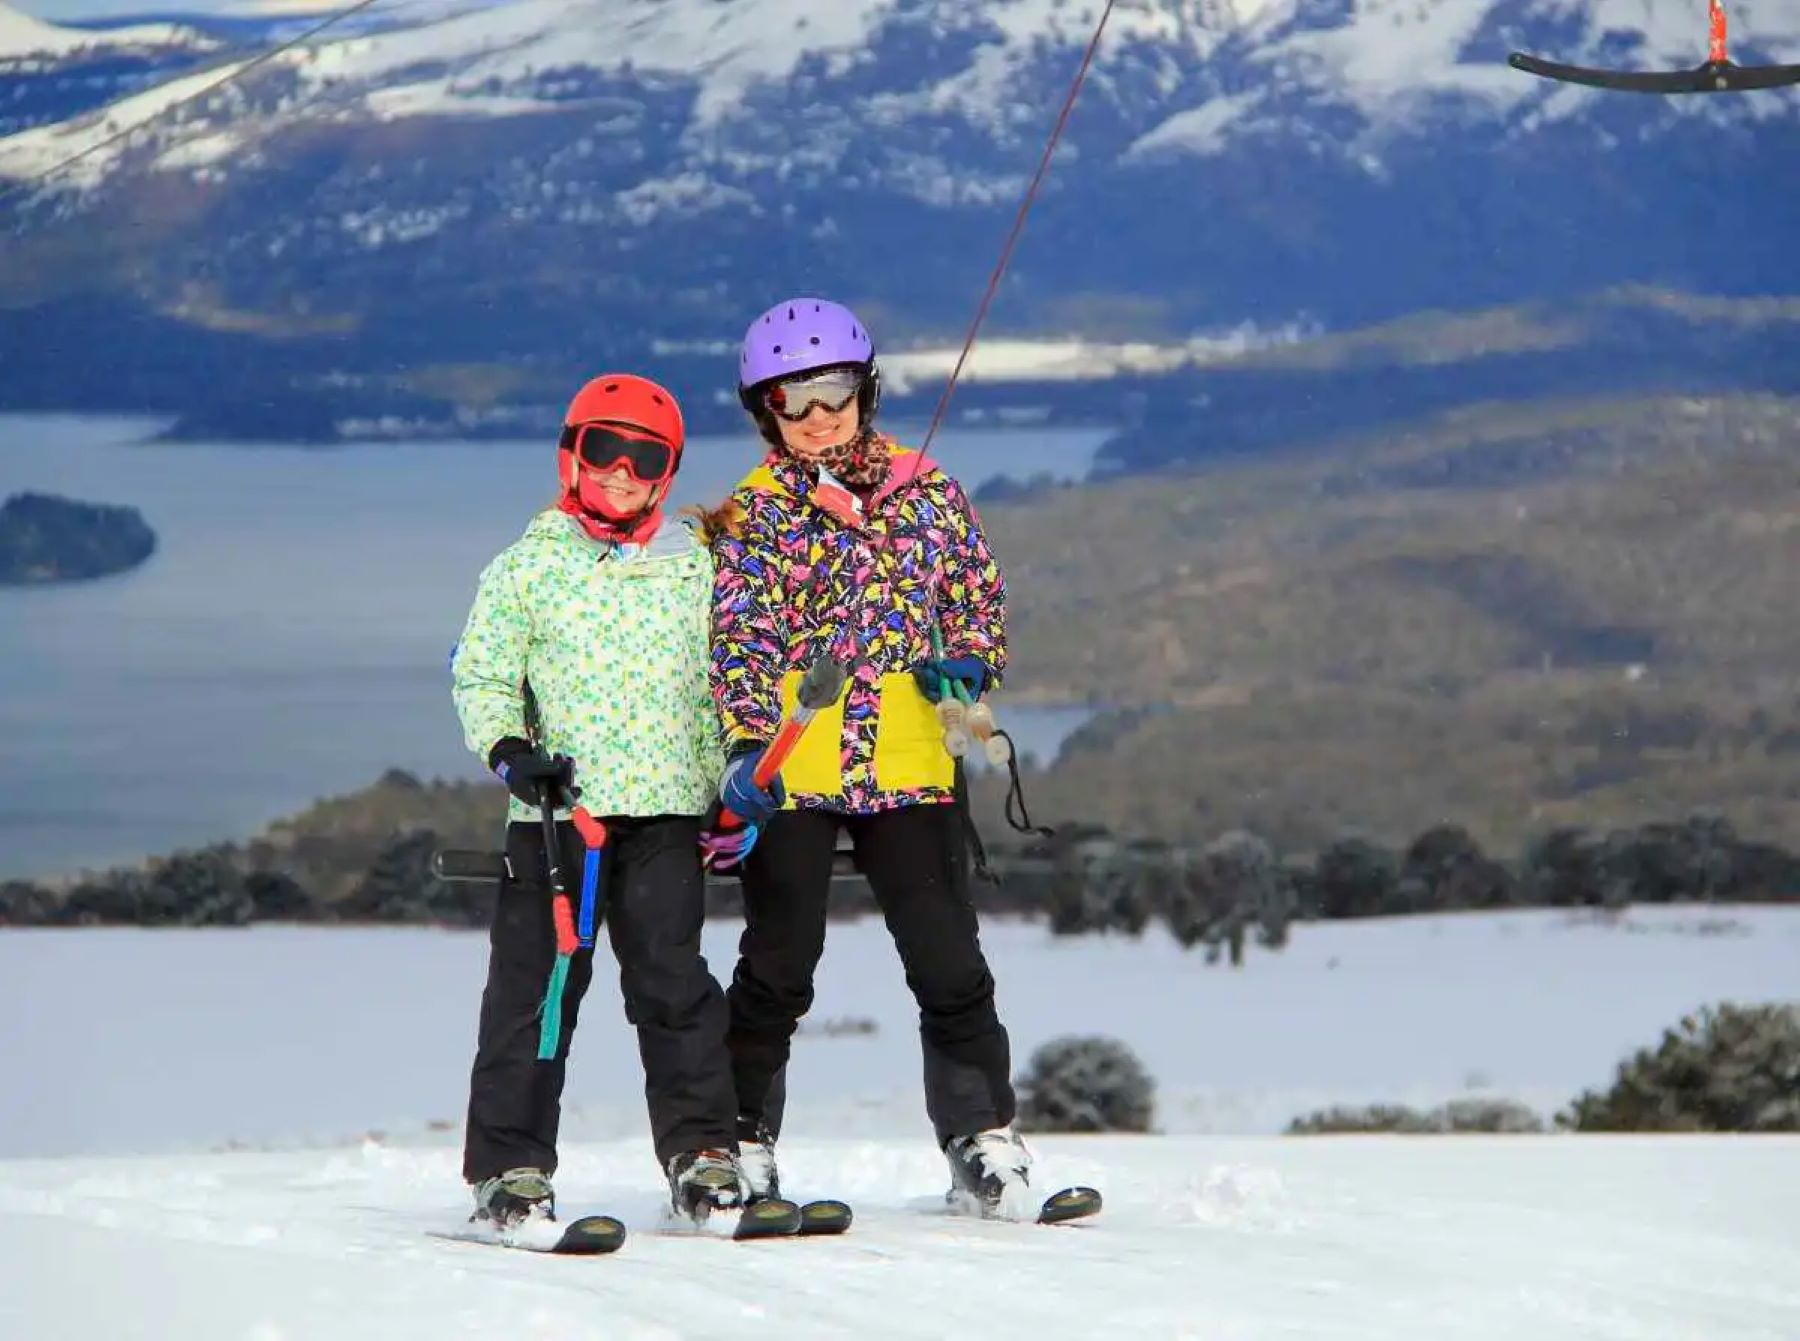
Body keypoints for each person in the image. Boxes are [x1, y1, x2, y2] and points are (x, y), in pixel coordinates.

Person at [706, 297, 1033, 1216]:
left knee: (947, 959)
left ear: (867, 387)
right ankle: (740, 1138)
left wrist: (968, 659)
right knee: (780, 962)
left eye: (833, 389)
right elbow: (740, 639)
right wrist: (741, 743)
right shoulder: (758, 512)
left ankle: (980, 1135)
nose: (817, 415)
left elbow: (976, 594)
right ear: (763, 410)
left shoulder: (926, 489)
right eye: (791, 398)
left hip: (910, 761)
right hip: (796, 766)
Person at [450, 372, 753, 1228]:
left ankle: (703, 1156)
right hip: (557, 817)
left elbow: (709, 689)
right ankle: (509, 1166)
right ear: (570, 458)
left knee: (673, 984)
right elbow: (481, 672)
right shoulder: (527, 566)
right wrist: (513, 754)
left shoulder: (692, 567)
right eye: (603, 451)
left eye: (644, 457)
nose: (621, 472)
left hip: (663, 813)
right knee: (538, 989)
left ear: (668, 470)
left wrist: (724, 785)